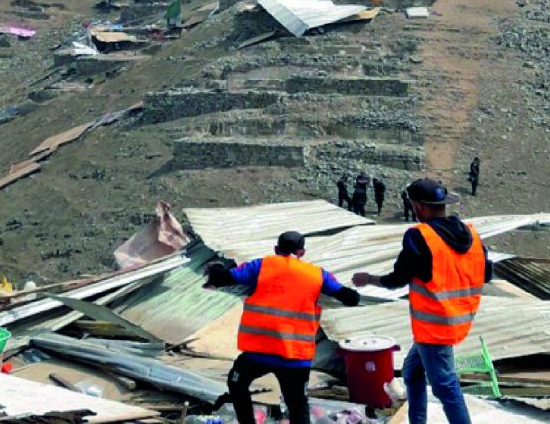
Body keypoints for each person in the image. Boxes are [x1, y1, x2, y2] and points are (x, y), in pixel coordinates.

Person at [352, 179, 492, 424]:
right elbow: (486, 273)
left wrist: (368, 279)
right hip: (456, 318)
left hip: (434, 326)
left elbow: (398, 278)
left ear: (418, 207)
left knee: (446, 387)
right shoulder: (471, 233)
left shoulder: (419, 237)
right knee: (413, 372)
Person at [204, 231, 360, 424]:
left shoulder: (260, 266)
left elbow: (222, 279)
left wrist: (216, 269)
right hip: (295, 357)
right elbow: (351, 298)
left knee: (237, 383)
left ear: (276, 249)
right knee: (298, 405)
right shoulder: (318, 275)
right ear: (301, 252)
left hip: (258, 353)